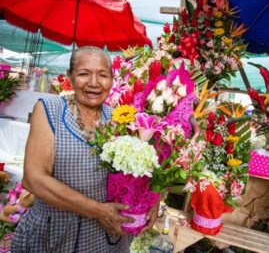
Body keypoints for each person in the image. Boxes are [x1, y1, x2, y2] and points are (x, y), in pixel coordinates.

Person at [11, 46, 159, 252]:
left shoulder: (119, 117)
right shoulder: (49, 109)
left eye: (103, 75)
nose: (94, 83)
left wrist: (153, 199)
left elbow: (139, 170)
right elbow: (34, 179)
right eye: (83, 74)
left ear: (112, 80)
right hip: (55, 233)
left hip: (103, 239)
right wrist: (98, 211)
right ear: (70, 77)